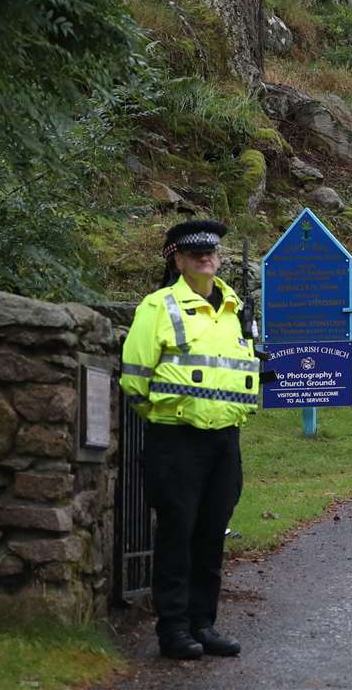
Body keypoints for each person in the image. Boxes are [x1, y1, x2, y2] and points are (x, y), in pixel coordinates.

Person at [120, 220, 260, 660]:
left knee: (210, 534)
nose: (206, 258)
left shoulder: (236, 308)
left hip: (225, 441)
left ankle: (205, 624)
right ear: (176, 260)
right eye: (195, 252)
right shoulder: (158, 306)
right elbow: (135, 379)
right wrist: (169, 416)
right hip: (175, 439)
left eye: (211, 251)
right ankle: (174, 629)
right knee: (177, 534)